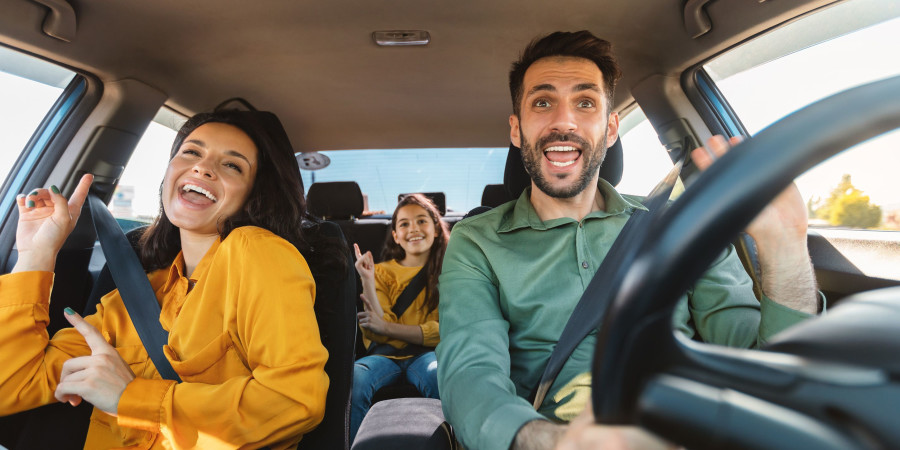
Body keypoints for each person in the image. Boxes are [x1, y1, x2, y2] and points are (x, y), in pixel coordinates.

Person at [436, 31, 820, 450]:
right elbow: (471, 374)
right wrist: (553, 442)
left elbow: (760, 364)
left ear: (612, 127)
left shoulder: (681, 222)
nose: (564, 121)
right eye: (542, 102)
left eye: (585, 103)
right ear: (516, 130)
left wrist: (786, 249)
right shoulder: (476, 241)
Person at [0, 110, 344, 449]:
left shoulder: (257, 251)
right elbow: (11, 385)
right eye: (191, 152)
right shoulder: (132, 298)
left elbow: (294, 401)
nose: (202, 167)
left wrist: (130, 398)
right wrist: (36, 252)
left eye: (232, 165)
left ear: (253, 195)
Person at [349, 193, 450, 442]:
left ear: (436, 229)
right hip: (384, 357)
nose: (413, 229)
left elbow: (446, 329)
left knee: (440, 375)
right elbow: (374, 330)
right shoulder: (381, 272)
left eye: (421, 221)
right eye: (404, 224)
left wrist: (388, 328)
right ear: (395, 235)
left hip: (427, 356)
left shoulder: (451, 271)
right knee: (356, 378)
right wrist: (368, 282)